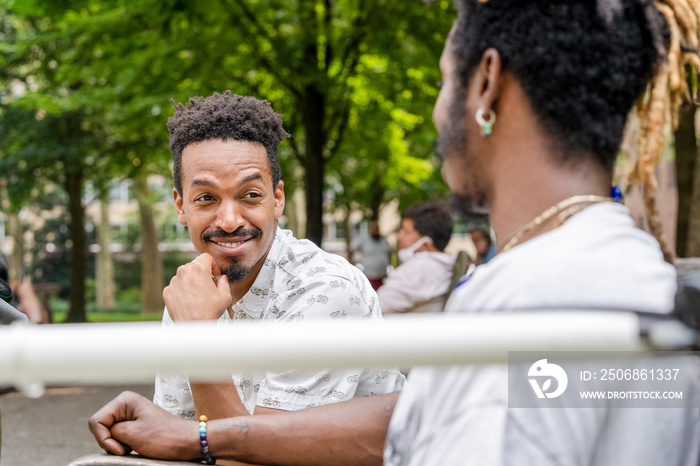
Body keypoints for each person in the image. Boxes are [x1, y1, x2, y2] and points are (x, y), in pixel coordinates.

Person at [89, 1, 700, 464]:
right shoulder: (611, 267)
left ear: (484, 84)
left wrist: (202, 382)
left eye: (442, 81)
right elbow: (411, 415)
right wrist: (200, 434)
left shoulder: (534, 298)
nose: (438, 111)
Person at [153, 91, 404, 421]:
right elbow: (173, 430)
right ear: (181, 205)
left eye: (251, 195)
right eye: (206, 198)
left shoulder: (325, 290)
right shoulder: (190, 294)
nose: (229, 221)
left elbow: (259, 454)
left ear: (277, 199)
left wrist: (198, 338)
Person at [378, 201, 456, 314]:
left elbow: (375, 307)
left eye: (406, 231)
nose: (400, 237)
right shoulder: (442, 265)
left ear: (426, 244)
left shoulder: (422, 268)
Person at [350, 219, 392, 290]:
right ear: (370, 229)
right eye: (374, 228)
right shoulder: (364, 240)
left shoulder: (384, 241)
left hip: (382, 275)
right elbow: (351, 249)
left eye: (377, 228)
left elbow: (389, 253)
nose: (375, 230)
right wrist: (351, 264)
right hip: (369, 275)